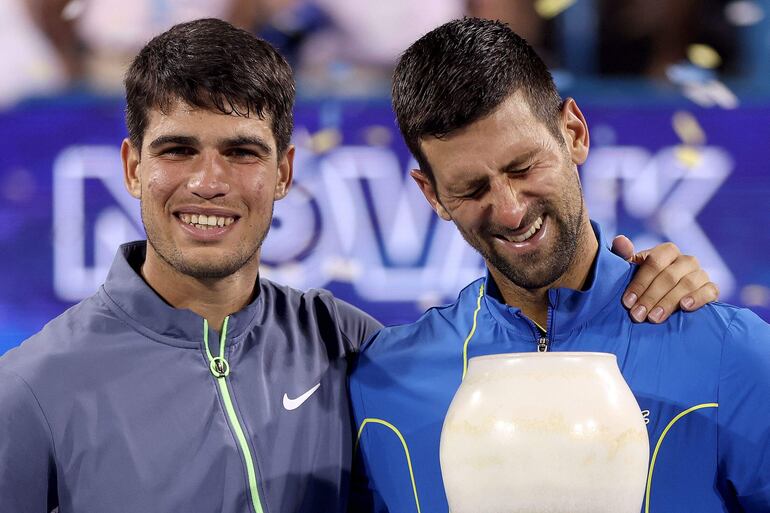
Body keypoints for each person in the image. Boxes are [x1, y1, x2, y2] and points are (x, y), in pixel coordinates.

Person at [0, 17, 718, 513]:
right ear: (131, 166)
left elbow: (524, 343)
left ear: (284, 172)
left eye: (242, 152)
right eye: (177, 149)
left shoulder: (353, 348)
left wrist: (649, 284)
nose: (208, 182)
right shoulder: (33, 387)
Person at [349, 18, 770, 513]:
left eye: (524, 167)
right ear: (432, 194)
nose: (508, 209)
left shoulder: (730, 354)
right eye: (472, 188)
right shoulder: (383, 381)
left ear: (573, 132)